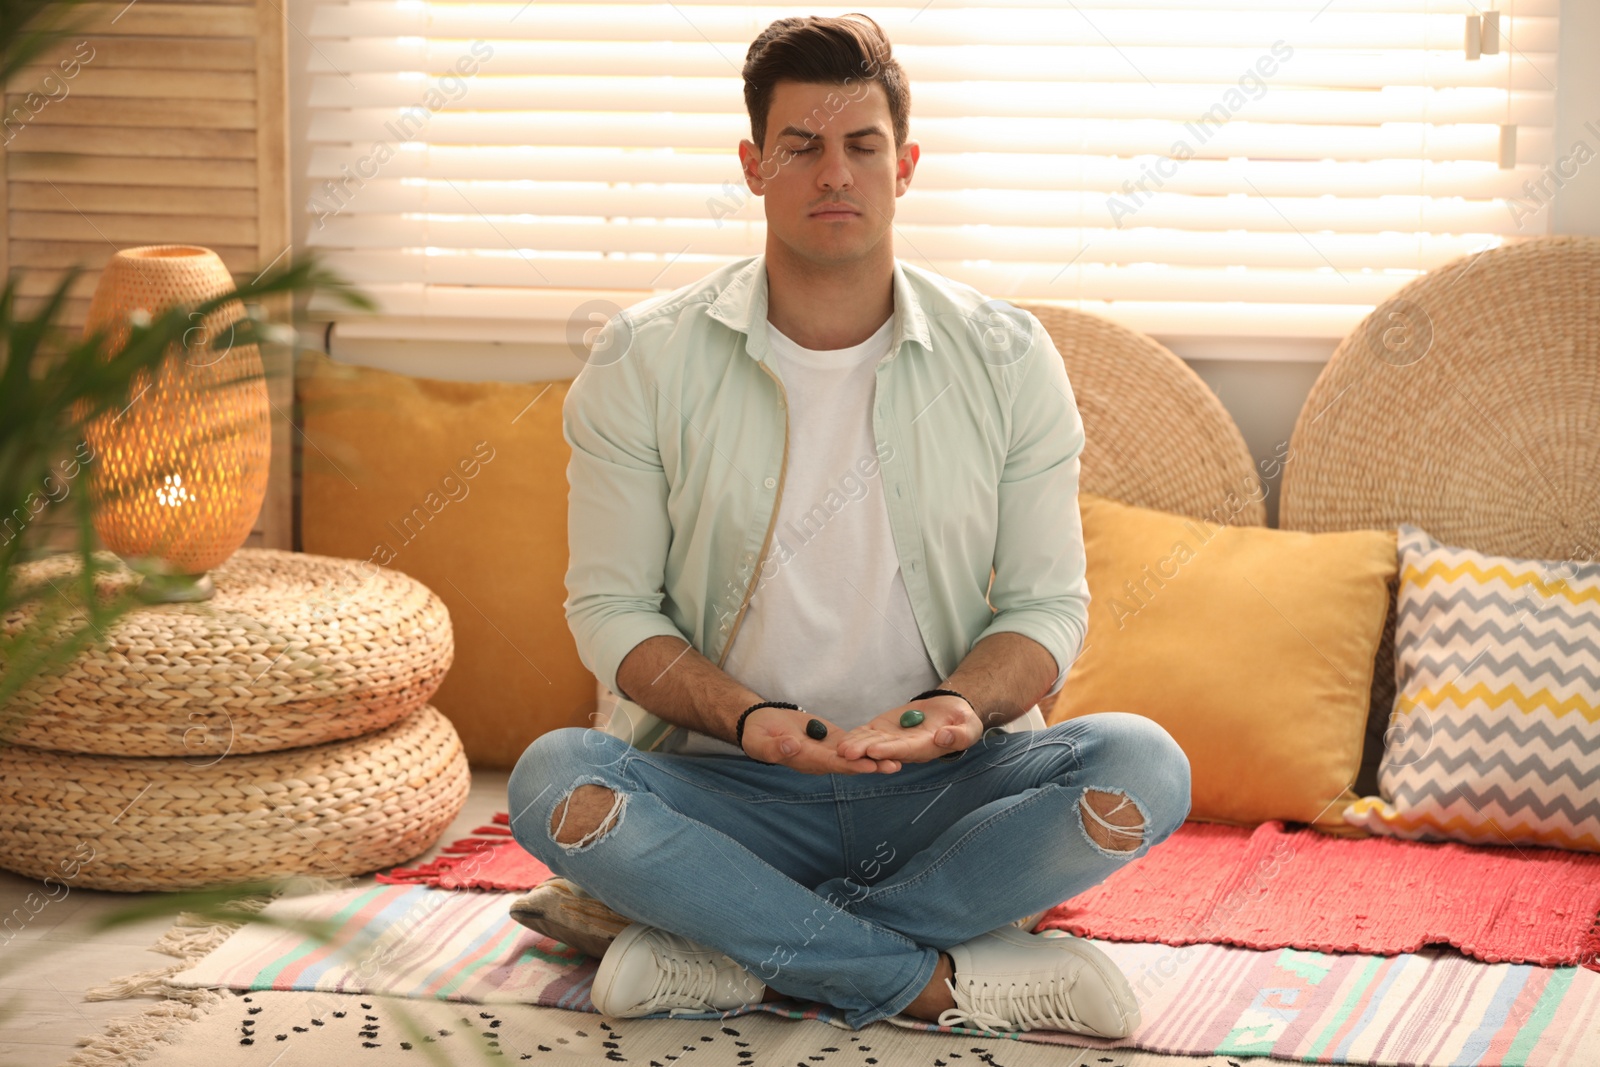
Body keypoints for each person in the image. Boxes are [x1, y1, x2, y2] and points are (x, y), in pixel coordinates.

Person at [506, 11, 1191, 1038]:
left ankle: (731, 946)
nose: (835, 172)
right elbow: (609, 610)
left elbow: (1048, 606)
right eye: (801, 146)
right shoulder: (642, 359)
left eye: (861, 146)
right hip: (723, 787)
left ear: (904, 165)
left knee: (1144, 765)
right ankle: (931, 980)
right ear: (752, 165)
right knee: (553, 780)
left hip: (946, 791)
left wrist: (959, 705)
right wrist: (744, 717)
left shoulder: (1008, 357)